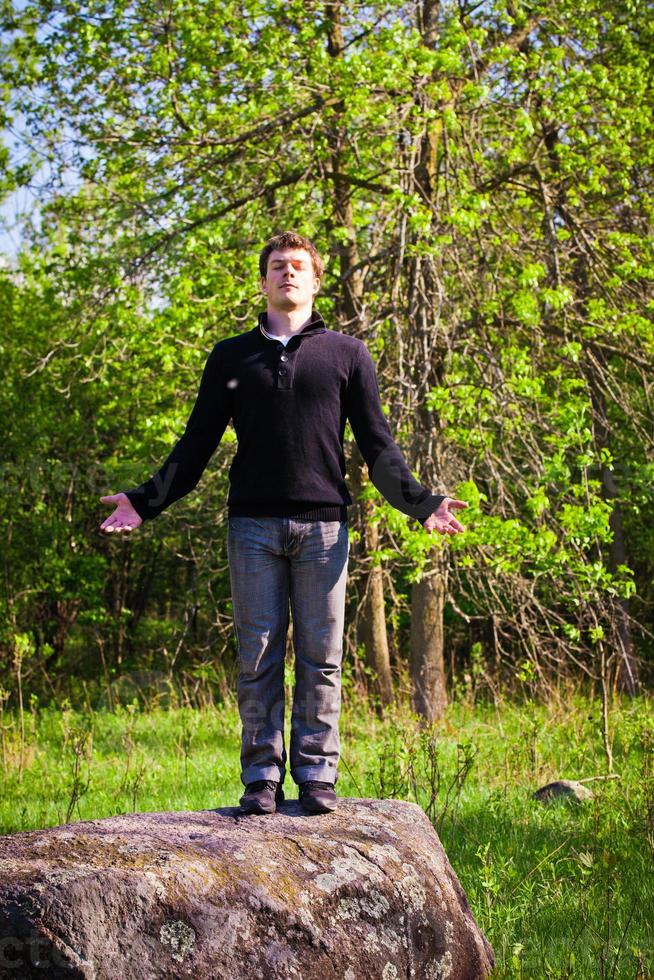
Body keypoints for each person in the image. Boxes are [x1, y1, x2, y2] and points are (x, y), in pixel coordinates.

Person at [99, 230, 467, 816]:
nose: (287, 274)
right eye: (277, 266)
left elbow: (378, 447)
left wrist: (422, 503)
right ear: (264, 281)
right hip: (252, 528)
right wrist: (144, 502)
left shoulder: (347, 355)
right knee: (259, 658)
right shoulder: (230, 357)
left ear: (316, 280)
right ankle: (262, 777)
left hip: (324, 530)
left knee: (322, 657)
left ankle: (318, 774)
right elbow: (194, 447)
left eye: (298, 266)